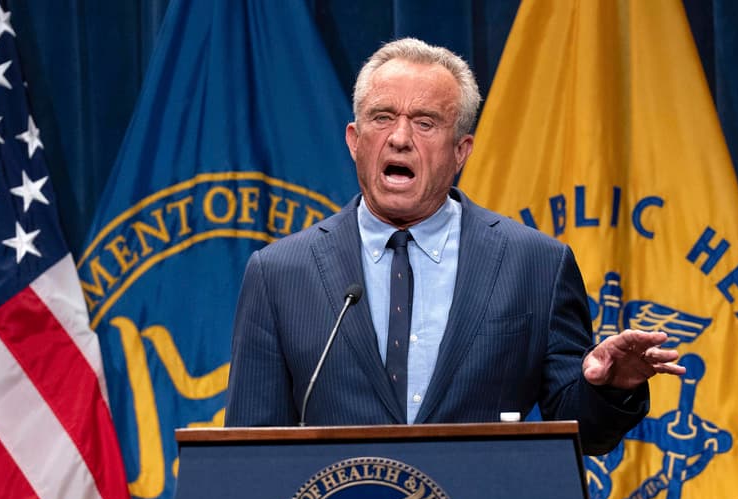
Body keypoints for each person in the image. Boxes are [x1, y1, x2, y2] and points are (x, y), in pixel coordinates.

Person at [225, 38, 683, 455]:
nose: (400, 138)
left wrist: (608, 388)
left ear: (461, 151)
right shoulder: (280, 273)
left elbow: (586, 433)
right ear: (354, 140)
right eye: (383, 118)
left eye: (425, 123)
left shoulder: (536, 265)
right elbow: (248, 454)